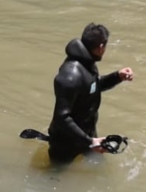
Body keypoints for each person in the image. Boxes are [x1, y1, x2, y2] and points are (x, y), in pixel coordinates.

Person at [46, 23, 134, 163]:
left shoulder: (87, 63)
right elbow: (61, 118)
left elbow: (92, 86)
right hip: (66, 142)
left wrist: (117, 77)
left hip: (87, 135)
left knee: (100, 170)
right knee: (55, 178)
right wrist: (90, 142)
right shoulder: (70, 75)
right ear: (101, 47)